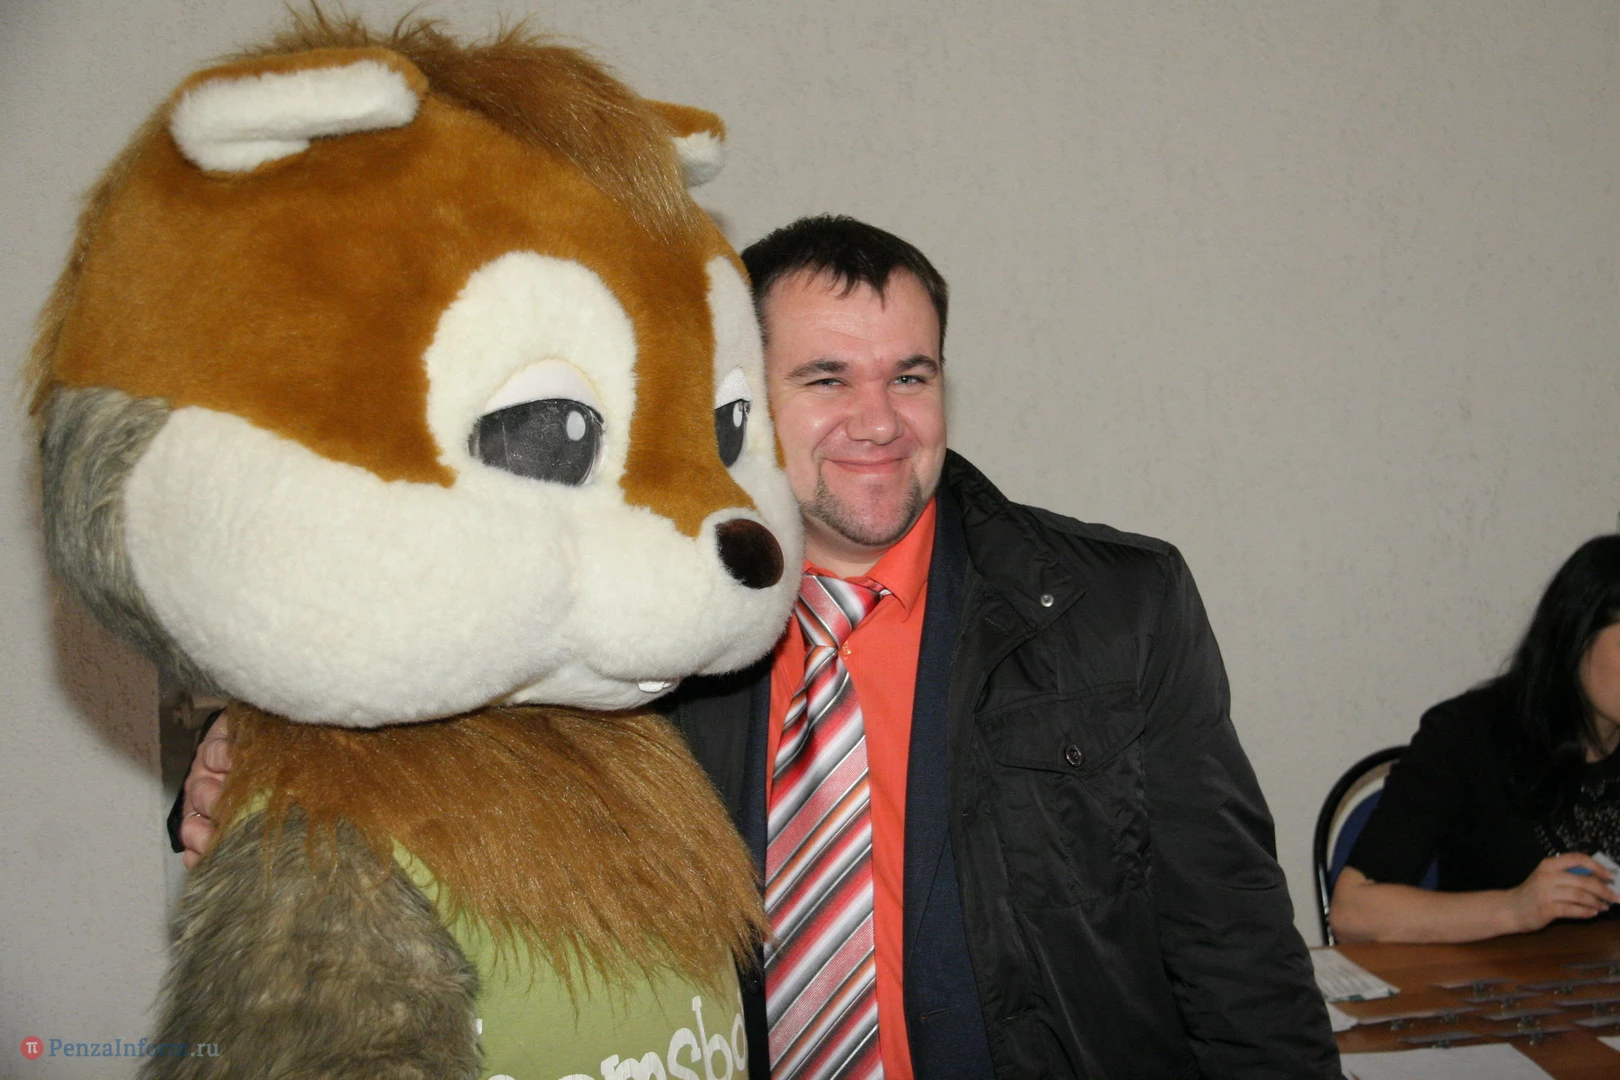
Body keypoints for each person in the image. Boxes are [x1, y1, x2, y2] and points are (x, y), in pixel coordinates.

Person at [176, 215, 1339, 1078]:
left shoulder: (1115, 609)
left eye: (911, 375)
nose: (878, 420)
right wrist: (257, 739)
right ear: (738, 400)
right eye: (826, 378)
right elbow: (432, 677)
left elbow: (1236, 946)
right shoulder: (650, 631)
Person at [1332, 534, 1620, 944]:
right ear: (1575, 637)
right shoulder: (1467, 735)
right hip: (1489, 975)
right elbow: (1353, 912)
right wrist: (1514, 908)